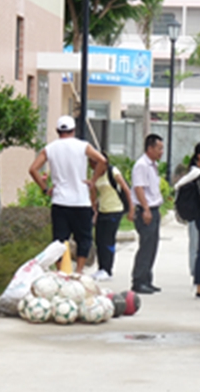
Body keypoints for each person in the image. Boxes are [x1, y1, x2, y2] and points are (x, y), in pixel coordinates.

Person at [28, 115, 107, 273]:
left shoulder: (50, 148)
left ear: (57, 131)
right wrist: (93, 180)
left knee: (59, 241)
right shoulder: (83, 146)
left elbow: (33, 169)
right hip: (80, 201)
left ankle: (61, 272)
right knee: (84, 238)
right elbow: (102, 160)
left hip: (60, 201)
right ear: (74, 130)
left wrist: (45, 189)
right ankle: (79, 271)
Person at [175, 142, 200, 298]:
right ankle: (197, 276)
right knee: (197, 246)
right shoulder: (196, 172)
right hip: (197, 214)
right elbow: (178, 186)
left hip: (199, 214)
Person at [90, 153, 134, 281]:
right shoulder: (95, 175)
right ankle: (101, 268)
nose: (93, 166)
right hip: (102, 210)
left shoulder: (113, 172)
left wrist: (131, 209)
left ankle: (107, 269)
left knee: (108, 240)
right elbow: (94, 194)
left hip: (115, 209)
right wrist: (94, 211)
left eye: (95, 163)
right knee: (99, 240)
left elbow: (126, 189)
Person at [131, 134, 164, 295]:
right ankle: (138, 281)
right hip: (146, 210)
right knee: (145, 246)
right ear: (150, 148)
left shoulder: (153, 165)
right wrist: (146, 209)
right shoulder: (141, 165)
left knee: (152, 246)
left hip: (154, 209)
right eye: (159, 148)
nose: (161, 152)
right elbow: (139, 188)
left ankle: (147, 279)